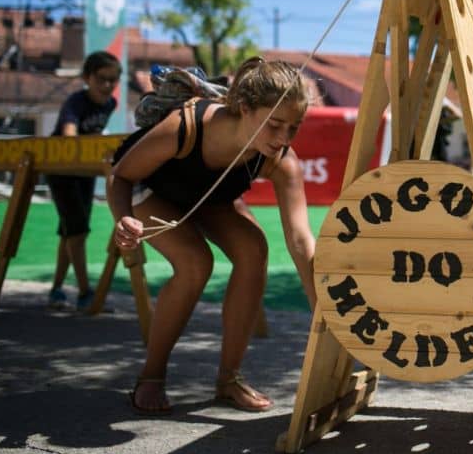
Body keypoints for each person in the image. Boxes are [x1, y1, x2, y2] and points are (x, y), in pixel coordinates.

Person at [110, 58, 318, 415]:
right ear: (244, 108)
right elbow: (121, 176)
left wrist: (325, 316)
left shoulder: (280, 159)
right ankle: (152, 375)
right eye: (275, 124)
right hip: (153, 191)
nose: (283, 138)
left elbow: (301, 243)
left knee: (254, 249)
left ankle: (228, 379)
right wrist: (123, 219)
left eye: (294, 128)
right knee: (195, 262)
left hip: (211, 197)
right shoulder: (185, 127)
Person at [45, 51, 121, 311]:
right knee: (77, 231)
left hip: (85, 172)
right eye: (102, 79)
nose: (108, 85)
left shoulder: (111, 104)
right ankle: (85, 293)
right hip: (61, 171)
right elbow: (69, 136)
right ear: (87, 78)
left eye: (114, 80)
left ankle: (56, 290)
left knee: (71, 232)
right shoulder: (75, 102)